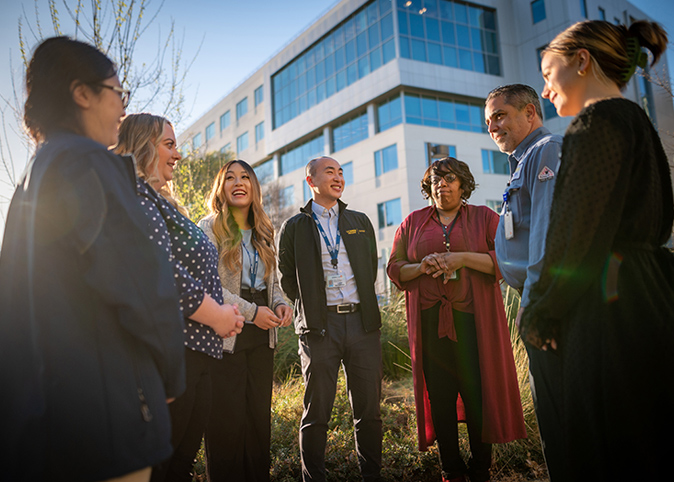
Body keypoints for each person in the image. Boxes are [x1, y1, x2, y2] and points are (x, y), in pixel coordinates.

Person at [0, 37, 186, 482]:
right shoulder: (90, 165)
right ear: (81, 93)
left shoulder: (33, 176)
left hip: (51, 420)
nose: (123, 108)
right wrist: (170, 376)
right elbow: (144, 285)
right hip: (108, 419)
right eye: (117, 94)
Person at [520, 20, 674, 480]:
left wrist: (541, 311)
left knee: (606, 444)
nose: (546, 91)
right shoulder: (639, 123)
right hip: (652, 296)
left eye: (549, 75)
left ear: (581, 61)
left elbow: (576, 233)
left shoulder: (596, 123)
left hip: (611, 305)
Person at [115, 114, 244, 482]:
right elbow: (162, 272)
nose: (178, 154)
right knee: (162, 467)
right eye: (169, 144)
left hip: (201, 353)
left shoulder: (165, 203)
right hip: (174, 352)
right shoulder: (135, 197)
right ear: (143, 144)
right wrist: (218, 315)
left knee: (181, 466)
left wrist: (226, 312)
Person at [387, 158, 526, 482]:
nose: (442, 185)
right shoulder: (413, 222)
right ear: (428, 186)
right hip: (430, 323)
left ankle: (481, 469)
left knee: (478, 395)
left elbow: (506, 261)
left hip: (474, 324)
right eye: (436, 180)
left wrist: (461, 258)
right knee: (441, 397)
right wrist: (422, 266)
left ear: (463, 185)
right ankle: (451, 468)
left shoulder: (484, 217)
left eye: (450, 179)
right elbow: (395, 269)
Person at [278, 156, 383, 482]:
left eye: (340, 172)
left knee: (369, 411)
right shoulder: (294, 226)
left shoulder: (359, 220)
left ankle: (372, 476)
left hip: (362, 325)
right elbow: (286, 278)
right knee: (317, 412)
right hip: (319, 329)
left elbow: (371, 265)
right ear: (311, 181)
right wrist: (311, 309)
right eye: (330, 172)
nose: (338, 177)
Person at [483, 84, 565, 481]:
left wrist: (535, 304)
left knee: (560, 414)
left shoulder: (546, 150)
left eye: (500, 115)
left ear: (530, 112)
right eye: (488, 121)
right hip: (535, 295)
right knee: (552, 414)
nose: (493, 126)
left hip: (547, 302)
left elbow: (548, 236)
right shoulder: (521, 162)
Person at [198, 160, 292, 482]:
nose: (239, 183)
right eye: (230, 178)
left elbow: (274, 285)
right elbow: (209, 286)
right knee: (225, 427)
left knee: (256, 426)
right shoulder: (209, 227)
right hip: (227, 336)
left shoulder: (265, 230)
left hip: (262, 340)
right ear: (221, 188)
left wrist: (281, 305)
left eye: (245, 177)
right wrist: (253, 313)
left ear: (253, 186)